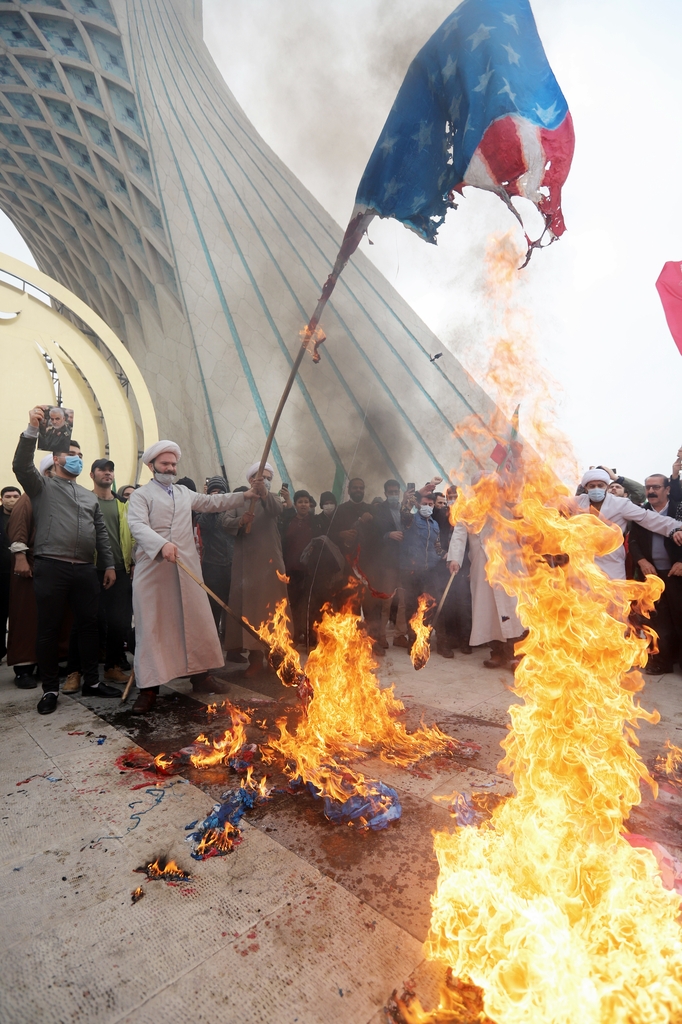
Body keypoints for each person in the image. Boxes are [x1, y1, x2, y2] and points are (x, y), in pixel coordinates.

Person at [126, 442, 260, 714]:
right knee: (153, 627)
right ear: (152, 466)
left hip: (186, 569)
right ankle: (149, 689)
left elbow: (213, 503)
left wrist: (245, 495)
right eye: (165, 464)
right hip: (153, 571)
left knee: (195, 622)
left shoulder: (183, 492)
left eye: (173, 464)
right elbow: (137, 525)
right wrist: (161, 545)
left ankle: (201, 677)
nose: (170, 469)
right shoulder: (141, 496)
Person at [12, 411, 119, 714]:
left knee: (89, 626)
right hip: (51, 566)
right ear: (57, 459)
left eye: (80, 455)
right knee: (48, 628)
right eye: (71, 454)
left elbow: (100, 534)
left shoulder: (89, 497)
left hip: (85, 569)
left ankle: (92, 682)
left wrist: (108, 564)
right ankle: (49, 689)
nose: (77, 459)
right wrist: (32, 429)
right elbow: (20, 464)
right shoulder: (41, 487)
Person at [221, 461, 290, 676]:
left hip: (271, 564)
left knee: (274, 610)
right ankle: (255, 659)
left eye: (269, 478)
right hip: (246, 565)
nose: (266, 481)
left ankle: (278, 656)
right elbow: (225, 522)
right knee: (251, 611)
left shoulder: (273, 499)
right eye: (262, 477)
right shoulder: (240, 499)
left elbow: (278, 509)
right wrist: (241, 520)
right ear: (251, 480)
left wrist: (265, 493)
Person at [573, 469, 682, 580]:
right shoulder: (576, 503)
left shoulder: (621, 504)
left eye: (600, 485)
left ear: (606, 486)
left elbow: (647, 518)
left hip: (611, 560)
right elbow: (555, 507)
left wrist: (677, 526)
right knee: (581, 595)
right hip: (582, 561)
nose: (596, 489)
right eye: (592, 486)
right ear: (586, 488)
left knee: (614, 595)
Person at [629, 474, 682, 674]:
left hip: (677, 575)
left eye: (656, 487)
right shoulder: (641, 512)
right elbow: (632, 540)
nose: (651, 491)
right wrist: (641, 561)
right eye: (648, 487)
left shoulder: (679, 509)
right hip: (652, 576)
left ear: (667, 489)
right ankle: (663, 661)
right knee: (658, 621)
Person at [6, 457, 52, 687]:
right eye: (52, 470)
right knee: (25, 616)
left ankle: (45, 664)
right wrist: (21, 557)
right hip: (30, 565)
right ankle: (23, 668)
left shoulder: (57, 498)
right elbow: (18, 528)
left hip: (52, 566)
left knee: (48, 618)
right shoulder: (28, 498)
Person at [364, 479, 408, 649]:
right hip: (387, 562)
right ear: (385, 493)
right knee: (386, 601)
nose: (393, 495)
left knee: (403, 601)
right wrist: (388, 534)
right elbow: (373, 536)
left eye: (396, 491)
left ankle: (399, 635)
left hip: (403, 562)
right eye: (390, 492)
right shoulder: (379, 510)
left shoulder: (404, 509)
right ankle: (381, 635)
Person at [400, 490, 443, 649]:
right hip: (412, 570)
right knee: (412, 607)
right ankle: (413, 641)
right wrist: (406, 502)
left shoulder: (435, 524)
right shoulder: (411, 519)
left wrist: (446, 556)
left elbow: (436, 546)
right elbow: (403, 515)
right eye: (424, 504)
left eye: (430, 505)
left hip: (430, 571)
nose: (427, 507)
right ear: (418, 504)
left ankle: (424, 639)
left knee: (430, 606)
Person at [433, 485, 472, 657]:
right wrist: (443, 554)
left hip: (463, 568)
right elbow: (433, 537)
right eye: (450, 495)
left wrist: (471, 566)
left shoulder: (468, 516)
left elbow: (472, 544)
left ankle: (464, 640)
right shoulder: (440, 514)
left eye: (456, 495)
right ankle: (444, 643)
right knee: (444, 604)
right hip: (442, 567)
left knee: (463, 604)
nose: (453, 498)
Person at [196, 475, 234, 637]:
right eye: (214, 492)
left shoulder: (231, 512)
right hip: (212, 566)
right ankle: (212, 640)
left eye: (220, 492)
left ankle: (230, 642)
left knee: (232, 605)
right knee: (214, 605)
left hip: (231, 564)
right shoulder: (203, 512)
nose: (217, 495)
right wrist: (210, 505)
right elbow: (203, 525)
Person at [281, 489, 315, 644]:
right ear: (295, 504)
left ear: (310, 504)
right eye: (300, 502)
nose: (303, 505)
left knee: (307, 604)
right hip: (290, 569)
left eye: (306, 502)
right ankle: (293, 635)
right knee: (292, 603)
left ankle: (308, 635)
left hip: (309, 571)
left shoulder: (315, 522)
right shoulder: (288, 521)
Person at [0, 485, 21, 662]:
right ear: (2, 499)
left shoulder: (24, 515)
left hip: (21, 573)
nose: (12, 499)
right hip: (1, 573)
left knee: (20, 615)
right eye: (8, 496)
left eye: (15, 496)